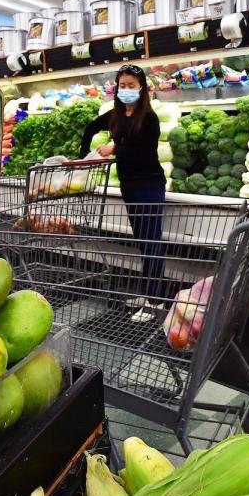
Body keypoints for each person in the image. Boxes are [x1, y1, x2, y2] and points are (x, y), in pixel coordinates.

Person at [80, 64, 166, 319]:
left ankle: (155, 301)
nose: (126, 90)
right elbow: (90, 128)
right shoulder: (115, 115)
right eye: (122, 86)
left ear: (142, 88)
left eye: (131, 86)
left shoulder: (149, 118)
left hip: (149, 184)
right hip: (129, 185)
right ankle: (149, 292)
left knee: (152, 242)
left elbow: (143, 153)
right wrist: (84, 154)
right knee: (143, 241)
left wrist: (114, 148)